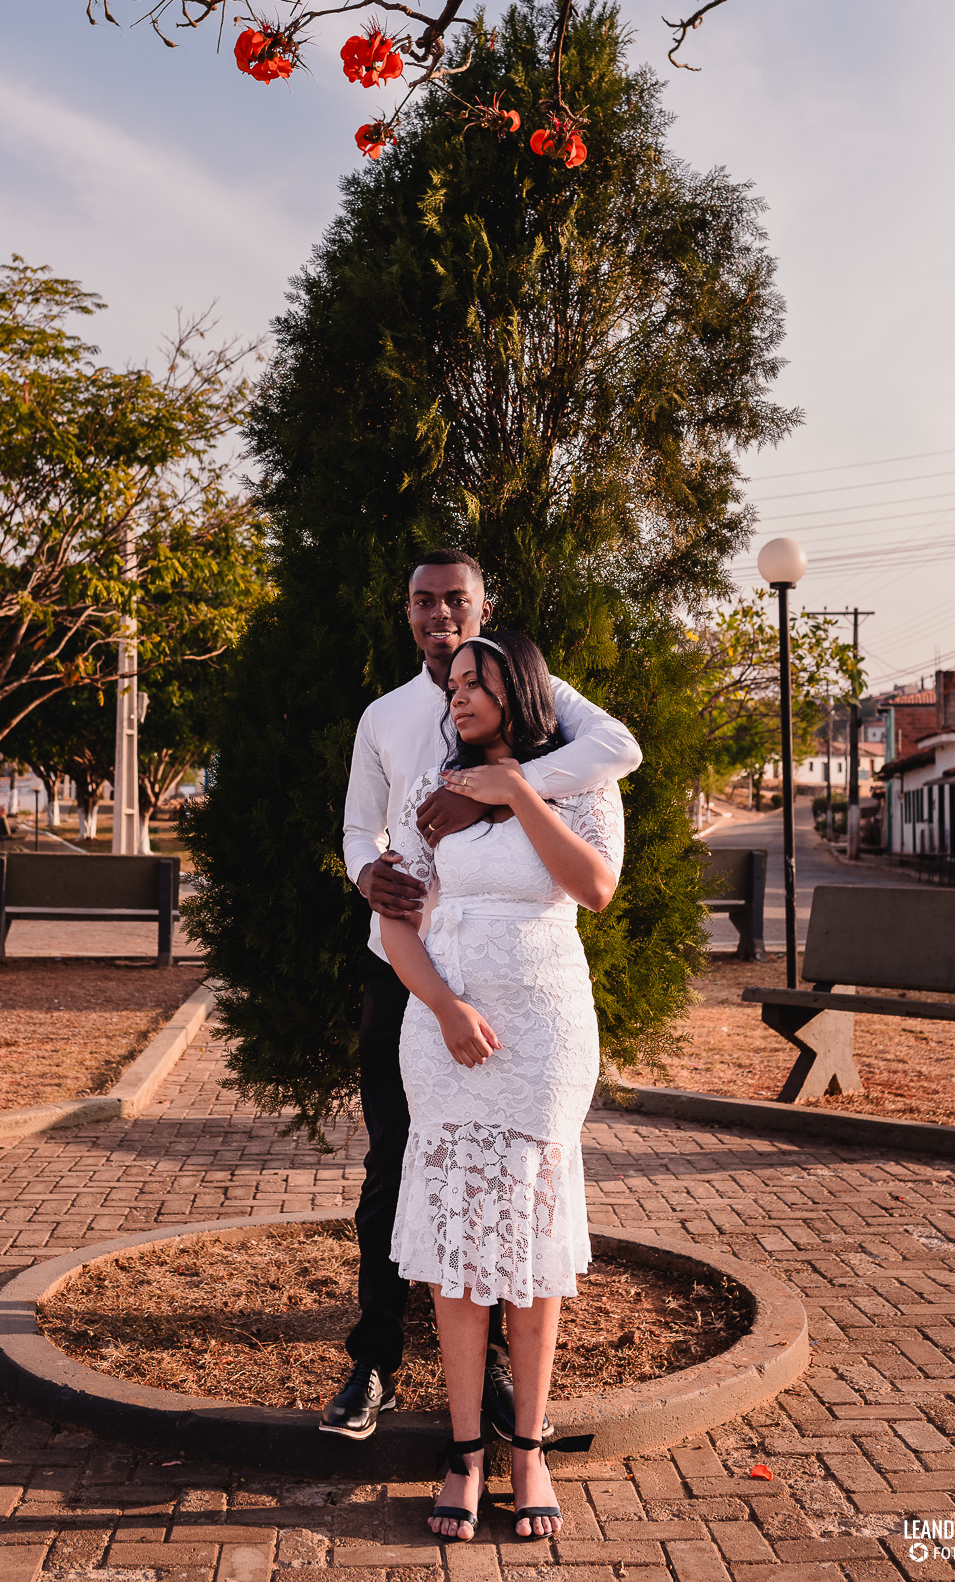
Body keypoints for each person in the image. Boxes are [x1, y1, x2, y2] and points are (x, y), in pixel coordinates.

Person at [327, 551, 640, 1442]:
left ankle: (498, 1382)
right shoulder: (385, 716)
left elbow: (616, 752)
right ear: (408, 612)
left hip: (523, 990)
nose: (438, 615)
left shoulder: (544, 697)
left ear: (483, 608)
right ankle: (375, 1360)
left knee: (512, 1184)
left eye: (454, 601)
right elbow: (361, 827)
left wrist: (496, 793)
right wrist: (370, 880)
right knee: (397, 1163)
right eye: (421, 601)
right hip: (412, 967)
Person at [382, 628, 623, 1541]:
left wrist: (520, 789)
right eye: (452, 687)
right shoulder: (429, 795)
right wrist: (443, 1006)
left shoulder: (578, 784)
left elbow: (595, 887)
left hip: (546, 1037)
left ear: (521, 691)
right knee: (455, 1252)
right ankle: (463, 1455)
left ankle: (526, 1448)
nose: (459, 696)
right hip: (445, 1034)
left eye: (478, 682)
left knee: (527, 1253)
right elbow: (399, 919)